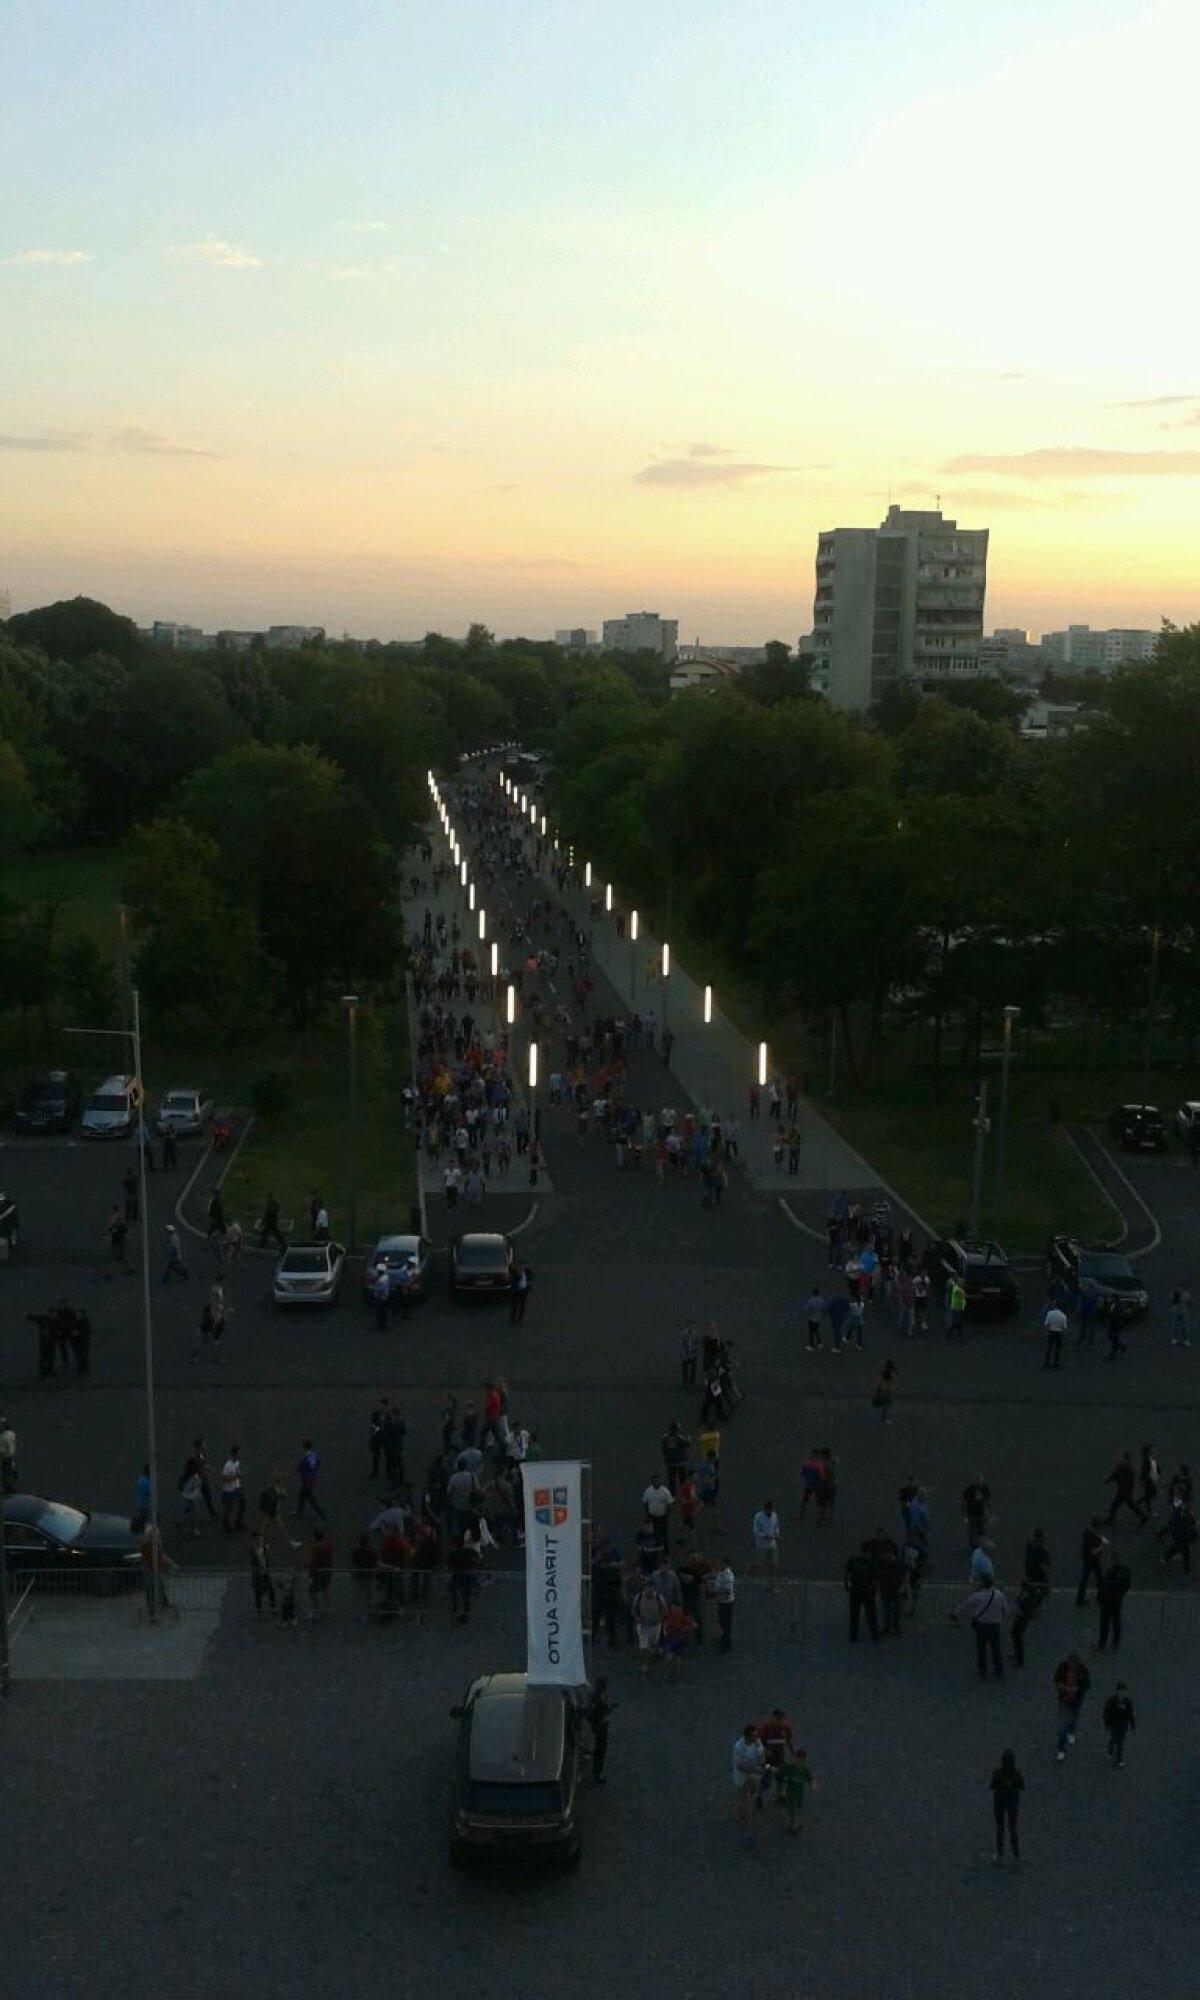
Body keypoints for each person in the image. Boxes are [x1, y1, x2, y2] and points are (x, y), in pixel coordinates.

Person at [953, 1580, 1008, 1680]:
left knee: (981, 1649)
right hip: (995, 1625)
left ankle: (982, 1670)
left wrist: (956, 1613)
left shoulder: (978, 1596)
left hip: (981, 1625)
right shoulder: (1000, 1595)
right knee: (996, 1648)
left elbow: (966, 1604)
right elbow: (1005, 1610)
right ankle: (999, 1669)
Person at [732, 1723, 765, 1846]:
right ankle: (745, 1827)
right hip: (743, 1776)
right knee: (746, 1802)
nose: (756, 1738)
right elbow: (740, 1766)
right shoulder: (738, 1747)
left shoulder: (756, 1742)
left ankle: (741, 1808)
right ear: (747, 1736)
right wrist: (757, 1770)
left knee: (752, 1792)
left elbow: (761, 1753)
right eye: (754, 1736)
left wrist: (762, 1760)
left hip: (753, 1774)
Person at [1053, 1653, 1091, 1760]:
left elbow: (1087, 1684)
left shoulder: (1082, 1671)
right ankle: (1061, 1748)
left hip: (1076, 1699)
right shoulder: (1063, 1668)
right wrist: (1061, 1686)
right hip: (1064, 1698)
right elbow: (1056, 1678)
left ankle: (1071, 1731)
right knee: (1062, 1724)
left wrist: (1078, 1688)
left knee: (1073, 1716)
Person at [990, 1750, 1024, 1866]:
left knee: (1000, 1827)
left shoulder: (998, 1773)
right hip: (1012, 1802)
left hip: (999, 1801)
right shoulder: (1017, 1773)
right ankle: (1016, 1854)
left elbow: (992, 1786)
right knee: (1012, 1828)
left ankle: (1000, 1853)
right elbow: (1022, 1786)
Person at [585, 1679, 616, 1782]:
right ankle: (596, 1774)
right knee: (600, 1751)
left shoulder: (598, 1698)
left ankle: (596, 1773)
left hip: (601, 1727)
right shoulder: (597, 1699)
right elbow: (599, 1713)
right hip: (600, 1728)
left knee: (600, 1751)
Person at [1097, 1559, 1132, 1650]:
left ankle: (1102, 1642)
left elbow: (1103, 1590)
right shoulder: (1122, 1579)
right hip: (1115, 1603)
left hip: (1108, 1603)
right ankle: (1115, 1640)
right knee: (1115, 1621)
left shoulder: (1109, 1579)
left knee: (1105, 1622)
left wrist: (1101, 1600)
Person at [1103, 1682, 1136, 1768]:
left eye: (1124, 1692)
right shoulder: (1111, 1701)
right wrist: (1107, 1723)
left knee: (1120, 1742)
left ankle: (1119, 1759)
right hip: (1114, 1725)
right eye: (1120, 1692)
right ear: (1117, 1692)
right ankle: (1110, 1750)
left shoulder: (1128, 1703)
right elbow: (1107, 1713)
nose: (1122, 1694)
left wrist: (1132, 1724)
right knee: (1113, 1739)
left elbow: (1130, 1714)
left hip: (1123, 1726)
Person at [752, 1499, 781, 1587]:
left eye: (771, 1511)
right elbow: (756, 1531)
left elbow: (776, 1526)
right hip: (761, 1545)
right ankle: (764, 1581)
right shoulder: (758, 1517)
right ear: (764, 1510)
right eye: (768, 1511)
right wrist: (766, 1536)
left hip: (772, 1544)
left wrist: (776, 1533)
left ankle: (772, 1583)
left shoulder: (774, 1515)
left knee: (774, 1564)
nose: (770, 1513)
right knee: (763, 1565)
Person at [307, 1525, 334, 1620]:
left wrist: (311, 1572)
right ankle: (325, 1611)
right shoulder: (328, 1546)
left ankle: (316, 1611)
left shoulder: (317, 1548)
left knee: (312, 1591)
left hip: (319, 1573)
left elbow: (313, 1562)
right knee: (325, 1591)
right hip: (327, 1572)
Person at [709, 1556, 735, 1651]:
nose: (718, 1565)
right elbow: (716, 1575)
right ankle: (723, 1637)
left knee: (726, 1623)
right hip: (721, 1601)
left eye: (720, 1563)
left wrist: (712, 1594)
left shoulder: (728, 1576)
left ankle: (726, 1644)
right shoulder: (721, 1571)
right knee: (722, 1621)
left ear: (725, 1564)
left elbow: (726, 1592)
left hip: (726, 1603)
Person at [249, 1531, 275, 1614]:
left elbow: (266, 1560)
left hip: (266, 1573)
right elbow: (253, 1563)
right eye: (259, 1540)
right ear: (255, 1541)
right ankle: (259, 1610)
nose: (261, 1541)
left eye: (262, 1540)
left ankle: (273, 1608)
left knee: (271, 1591)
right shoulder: (252, 1551)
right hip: (258, 1575)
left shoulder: (264, 1548)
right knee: (258, 1593)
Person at [1042, 1300, 1068, 1370]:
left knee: (1049, 1348)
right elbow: (1064, 1328)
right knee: (1057, 1349)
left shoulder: (1050, 1313)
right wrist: (1063, 1335)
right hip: (1059, 1333)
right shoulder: (1063, 1316)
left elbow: (1046, 1324)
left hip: (1051, 1331)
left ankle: (1047, 1363)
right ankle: (1055, 1363)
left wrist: (1046, 1332)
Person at [873, 1359, 897, 1423]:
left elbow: (879, 1382)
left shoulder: (886, 1372)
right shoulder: (888, 1372)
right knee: (886, 1405)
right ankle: (883, 1419)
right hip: (886, 1390)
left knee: (886, 1405)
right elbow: (882, 1382)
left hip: (885, 1390)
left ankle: (883, 1418)